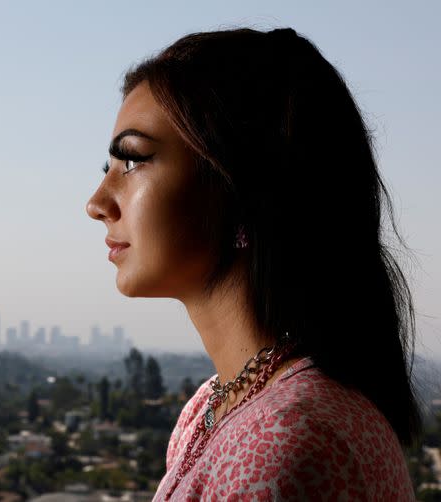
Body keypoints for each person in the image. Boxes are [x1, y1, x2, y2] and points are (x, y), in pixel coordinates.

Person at [85, 26, 422, 501]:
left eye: (134, 160)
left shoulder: (291, 440)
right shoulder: (212, 406)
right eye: (108, 169)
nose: (97, 203)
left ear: (240, 192)